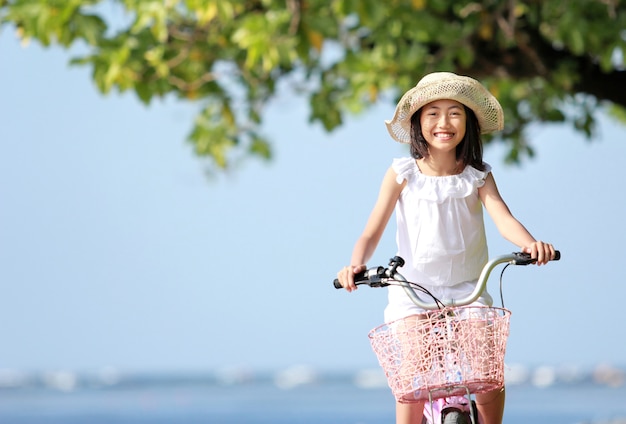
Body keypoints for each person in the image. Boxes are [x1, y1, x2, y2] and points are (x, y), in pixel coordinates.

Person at [335, 72, 556, 424]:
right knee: (411, 374)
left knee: (487, 370)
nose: (444, 122)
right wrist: (355, 264)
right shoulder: (402, 173)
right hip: (412, 289)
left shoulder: (477, 174)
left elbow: (503, 218)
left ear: (467, 123)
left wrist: (531, 244)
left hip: (469, 287)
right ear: (418, 122)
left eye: (455, 113)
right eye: (433, 113)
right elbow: (371, 231)